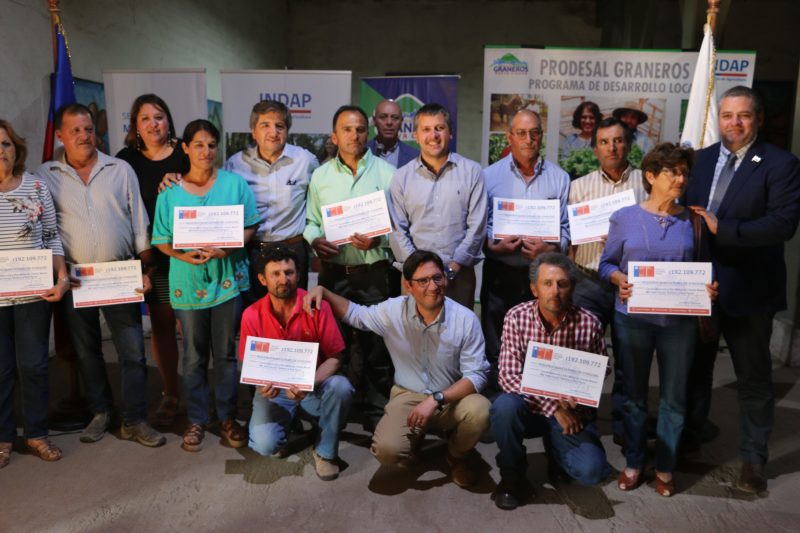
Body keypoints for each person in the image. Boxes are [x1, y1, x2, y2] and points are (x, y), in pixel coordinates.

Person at [685, 86, 800, 494]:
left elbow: (782, 224)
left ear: (758, 118)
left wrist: (724, 229)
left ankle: (754, 461)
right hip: (698, 289)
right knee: (694, 371)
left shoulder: (781, 164)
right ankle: (690, 439)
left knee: (753, 378)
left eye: (743, 115)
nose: (734, 122)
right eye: (727, 114)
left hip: (750, 291)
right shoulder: (699, 161)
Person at [304, 250, 491, 488]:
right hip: (408, 395)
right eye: (422, 281)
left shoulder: (465, 319)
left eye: (437, 278)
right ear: (408, 285)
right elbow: (356, 315)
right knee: (387, 451)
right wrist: (325, 292)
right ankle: (415, 440)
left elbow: (477, 375)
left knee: (481, 411)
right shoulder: (393, 311)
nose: (432, 286)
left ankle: (455, 456)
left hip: (450, 397)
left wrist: (435, 399)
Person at [36, 103, 165, 447]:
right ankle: (101, 412)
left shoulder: (119, 169)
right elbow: (45, 230)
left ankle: (135, 419)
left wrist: (145, 267)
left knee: (133, 352)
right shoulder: (45, 175)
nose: (84, 136)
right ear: (61, 135)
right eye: (75, 130)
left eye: (89, 129)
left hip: (120, 274)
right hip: (75, 279)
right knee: (87, 351)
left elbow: (139, 221)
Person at [599, 142, 717, 497]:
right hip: (631, 320)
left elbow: (705, 269)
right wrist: (618, 280)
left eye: (684, 172)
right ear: (651, 176)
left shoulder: (694, 220)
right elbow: (606, 264)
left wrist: (709, 290)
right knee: (633, 395)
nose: (681, 178)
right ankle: (634, 461)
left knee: (674, 396)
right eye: (672, 172)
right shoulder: (625, 218)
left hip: (679, 323)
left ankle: (665, 465)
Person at [152, 119, 260, 452]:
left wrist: (225, 248)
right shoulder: (169, 193)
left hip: (227, 280)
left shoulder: (233, 184)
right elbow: (160, 240)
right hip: (186, 282)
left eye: (211, 144)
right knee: (194, 356)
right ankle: (197, 418)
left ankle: (227, 417)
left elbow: (250, 226)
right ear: (184, 148)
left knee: (226, 354)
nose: (206, 151)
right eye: (198, 144)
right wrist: (185, 257)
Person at [491, 253, 611, 510]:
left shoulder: (589, 324)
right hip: (531, 408)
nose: (555, 291)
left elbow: (602, 368)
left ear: (573, 287)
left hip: (571, 410)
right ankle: (512, 476)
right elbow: (508, 375)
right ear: (534, 288)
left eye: (562, 284)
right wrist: (552, 407)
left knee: (591, 471)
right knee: (503, 408)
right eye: (547, 283)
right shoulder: (516, 317)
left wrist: (579, 397)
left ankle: (558, 454)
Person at [304, 105, 396, 430]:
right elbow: (311, 222)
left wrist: (378, 242)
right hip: (333, 275)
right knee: (334, 345)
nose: (353, 135)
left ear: (367, 133)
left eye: (359, 129)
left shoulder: (388, 175)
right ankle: (335, 414)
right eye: (346, 129)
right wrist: (315, 240)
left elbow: (399, 229)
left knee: (376, 348)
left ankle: (376, 415)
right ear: (334, 135)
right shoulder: (320, 176)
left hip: (373, 275)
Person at [240, 247, 354, 480]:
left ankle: (325, 452)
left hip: (313, 386)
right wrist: (261, 385)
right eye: (276, 274)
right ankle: (286, 427)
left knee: (341, 387)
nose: (284, 279)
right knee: (265, 444)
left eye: (289, 272)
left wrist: (309, 383)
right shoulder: (251, 315)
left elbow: (335, 358)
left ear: (298, 274)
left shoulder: (316, 306)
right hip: (275, 391)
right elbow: (248, 363)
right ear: (262, 279)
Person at [568, 117, 648, 443]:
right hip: (588, 281)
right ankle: (582, 424)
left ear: (628, 144)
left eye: (618, 140)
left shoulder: (647, 183)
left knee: (630, 359)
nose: (612, 147)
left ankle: (624, 426)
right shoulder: (579, 187)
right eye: (604, 142)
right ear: (595, 147)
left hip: (632, 284)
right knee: (583, 356)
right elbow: (570, 238)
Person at [481, 109, 569, 394]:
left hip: (541, 277)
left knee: (540, 342)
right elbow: (478, 225)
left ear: (541, 136)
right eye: (521, 133)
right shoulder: (488, 177)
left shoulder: (559, 178)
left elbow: (567, 228)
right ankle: (498, 403)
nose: (528, 139)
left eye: (534, 133)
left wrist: (553, 247)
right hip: (500, 272)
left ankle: (537, 405)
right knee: (497, 341)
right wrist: (490, 244)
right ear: (510, 137)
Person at [0, 119, 70, 467]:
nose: (1, 151)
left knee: (34, 366)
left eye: (6, 144)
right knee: (0, 370)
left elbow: (52, 236)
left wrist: (60, 277)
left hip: (34, 295)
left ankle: (37, 433)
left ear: (17, 149)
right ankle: (3, 437)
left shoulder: (36, 187)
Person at [116, 94, 188, 427]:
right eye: (145, 119)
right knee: (161, 324)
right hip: (152, 256)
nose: (153, 124)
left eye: (158, 117)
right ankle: (171, 392)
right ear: (135, 126)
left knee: (191, 327)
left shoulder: (185, 152)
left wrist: (181, 183)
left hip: (189, 254)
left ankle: (199, 390)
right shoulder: (125, 160)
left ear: (168, 120)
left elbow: (206, 184)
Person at [389, 103, 487, 309]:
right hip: (415, 279)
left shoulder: (472, 172)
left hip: (459, 277)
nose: (433, 135)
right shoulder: (401, 178)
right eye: (426, 129)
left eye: (439, 128)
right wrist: (421, 273)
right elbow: (398, 231)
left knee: (458, 337)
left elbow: (477, 226)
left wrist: (453, 268)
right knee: (414, 338)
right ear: (415, 135)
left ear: (450, 133)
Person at [225, 100, 319, 295]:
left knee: (294, 314)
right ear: (253, 131)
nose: (273, 132)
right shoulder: (235, 164)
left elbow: (319, 203)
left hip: (292, 250)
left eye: (279, 126)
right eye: (265, 125)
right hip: (252, 251)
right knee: (254, 313)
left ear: (287, 131)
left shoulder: (305, 161)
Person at [367, 99, 419, 168]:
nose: (389, 122)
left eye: (395, 118)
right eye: (383, 117)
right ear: (374, 121)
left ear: (401, 122)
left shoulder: (415, 157)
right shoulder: (362, 153)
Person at [559, 101, 601, 165]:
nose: (587, 121)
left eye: (591, 118)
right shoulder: (570, 140)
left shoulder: (601, 140)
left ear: (597, 119)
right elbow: (564, 162)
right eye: (584, 117)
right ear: (578, 118)